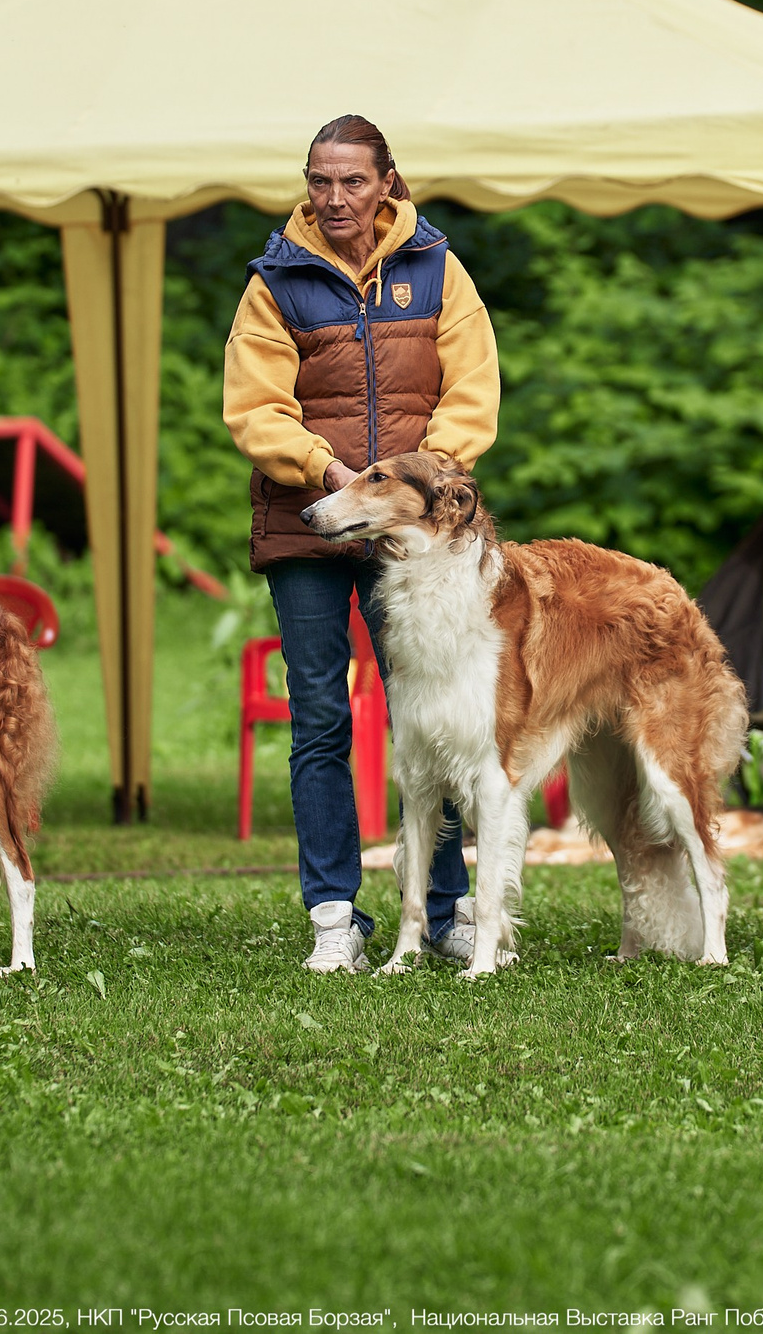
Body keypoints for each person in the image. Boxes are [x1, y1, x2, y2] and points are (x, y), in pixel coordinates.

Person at [223, 116, 499, 974]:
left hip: (410, 539)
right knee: (319, 718)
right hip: (306, 522)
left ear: (387, 183)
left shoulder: (438, 269)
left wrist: (420, 481)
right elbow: (255, 408)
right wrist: (334, 477)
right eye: (320, 181)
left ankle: (445, 910)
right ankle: (335, 915)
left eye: (351, 180)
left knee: (432, 717)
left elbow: (473, 388)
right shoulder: (275, 281)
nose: (334, 197)